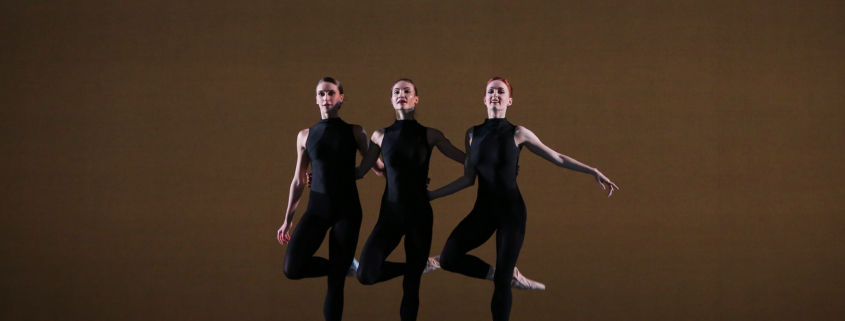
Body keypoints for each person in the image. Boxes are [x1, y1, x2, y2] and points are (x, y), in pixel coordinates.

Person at [429, 77, 619, 321]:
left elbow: (556, 157)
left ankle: (506, 278)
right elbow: (468, 179)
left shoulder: (518, 133)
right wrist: (433, 195)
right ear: (485, 99)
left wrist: (592, 170)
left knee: (501, 285)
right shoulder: (471, 134)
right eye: (491, 91)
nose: (495, 94)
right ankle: (507, 275)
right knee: (448, 258)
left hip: (512, 212)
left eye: (501, 91)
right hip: (483, 211)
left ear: (509, 100)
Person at [354, 79, 465, 320]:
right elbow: (360, 172)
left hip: (419, 217)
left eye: (407, 91)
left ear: (416, 99)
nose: (401, 94)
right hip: (389, 217)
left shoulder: (431, 134)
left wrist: (501, 164)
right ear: (391, 100)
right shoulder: (380, 135)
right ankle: (420, 266)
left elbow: (467, 161)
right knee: (365, 274)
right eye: (396, 92)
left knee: (410, 289)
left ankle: (416, 270)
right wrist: (322, 176)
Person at [277, 77, 382, 321]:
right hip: (317, 209)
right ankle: (344, 265)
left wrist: (408, 176)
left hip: (347, 210)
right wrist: (287, 221)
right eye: (321, 94)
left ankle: (340, 268)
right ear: (316, 99)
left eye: (331, 93)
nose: (326, 98)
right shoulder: (305, 135)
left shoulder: (355, 131)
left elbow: (376, 167)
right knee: (292, 268)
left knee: (335, 284)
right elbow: (298, 180)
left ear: (340, 98)